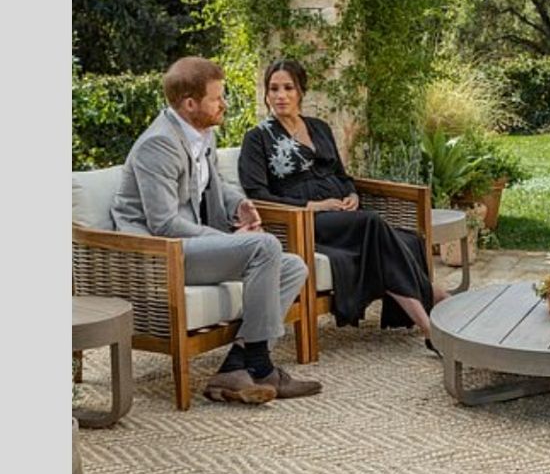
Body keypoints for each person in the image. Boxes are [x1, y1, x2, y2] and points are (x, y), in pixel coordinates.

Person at [111, 56, 322, 403]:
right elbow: (164, 223)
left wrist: (239, 204)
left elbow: (215, 184)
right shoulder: (158, 145)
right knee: (265, 246)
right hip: (158, 255)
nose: (224, 104)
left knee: (293, 267)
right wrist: (229, 240)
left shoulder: (201, 133)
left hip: (185, 245)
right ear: (189, 104)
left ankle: (234, 368)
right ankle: (261, 367)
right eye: (216, 98)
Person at [238, 59, 449, 354]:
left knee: (404, 238)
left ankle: (433, 313)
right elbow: (257, 194)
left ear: (301, 91)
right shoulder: (257, 138)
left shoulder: (319, 128)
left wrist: (352, 194)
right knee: (372, 223)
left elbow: (340, 174)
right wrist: (312, 205)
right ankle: (432, 318)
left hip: (342, 213)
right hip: (306, 220)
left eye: (288, 88)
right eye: (273, 89)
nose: (280, 96)